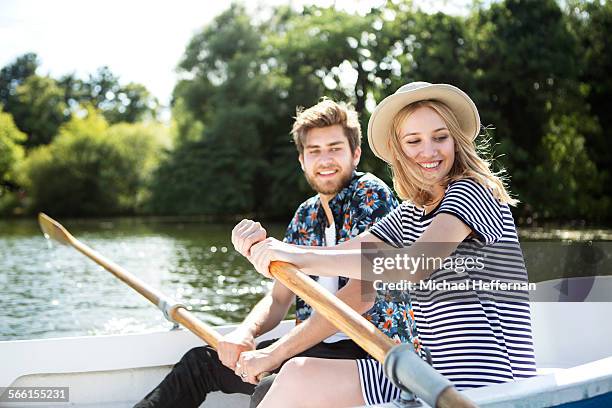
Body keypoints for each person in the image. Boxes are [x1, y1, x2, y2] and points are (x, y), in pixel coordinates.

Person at [245, 82, 538, 407]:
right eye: (414, 141)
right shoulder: (412, 211)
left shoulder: (473, 190)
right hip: (428, 375)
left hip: (487, 384)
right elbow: (355, 251)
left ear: (455, 139)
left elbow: (415, 265)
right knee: (298, 375)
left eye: (440, 137)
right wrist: (279, 251)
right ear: (398, 148)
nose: (429, 151)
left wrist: (295, 256)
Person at [134, 99, 404, 408]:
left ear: (355, 154)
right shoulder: (305, 216)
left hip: (365, 351)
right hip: (314, 344)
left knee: (270, 387)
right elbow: (278, 300)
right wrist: (245, 334)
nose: (325, 159)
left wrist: (274, 354)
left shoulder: (371, 194)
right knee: (202, 363)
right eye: (314, 151)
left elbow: (361, 296)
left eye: (335, 148)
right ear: (302, 160)